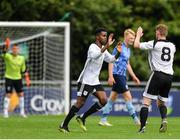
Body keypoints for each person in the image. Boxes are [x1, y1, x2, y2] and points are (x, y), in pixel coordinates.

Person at [59, 27, 122, 133]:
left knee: (104, 100)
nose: (105, 38)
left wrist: (118, 52)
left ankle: (82, 117)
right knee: (80, 103)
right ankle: (63, 125)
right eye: (103, 36)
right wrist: (106, 46)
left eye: (106, 36)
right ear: (97, 37)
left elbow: (111, 59)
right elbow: (95, 56)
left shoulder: (103, 48)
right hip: (86, 80)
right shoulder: (92, 47)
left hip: (94, 81)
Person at [134, 24, 176, 133]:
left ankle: (142, 128)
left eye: (156, 32)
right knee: (161, 103)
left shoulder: (154, 43)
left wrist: (138, 34)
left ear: (158, 33)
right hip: (169, 76)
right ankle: (164, 119)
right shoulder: (172, 46)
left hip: (158, 75)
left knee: (146, 102)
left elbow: (136, 45)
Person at [98, 29, 141, 126]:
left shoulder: (128, 49)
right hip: (117, 75)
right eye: (130, 38)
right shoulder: (119, 47)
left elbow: (127, 64)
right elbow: (111, 61)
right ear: (125, 37)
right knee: (128, 97)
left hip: (122, 75)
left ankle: (103, 120)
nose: (132, 40)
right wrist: (110, 76)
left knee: (112, 98)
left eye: (133, 39)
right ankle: (136, 120)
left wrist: (134, 76)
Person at [1, 38, 30, 118]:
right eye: (13, 49)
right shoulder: (8, 56)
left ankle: (22, 112)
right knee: (8, 94)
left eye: (16, 49)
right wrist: (6, 46)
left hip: (18, 78)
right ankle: (5, 112)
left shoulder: (22, 58)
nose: (14, 50)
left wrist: (27, 79)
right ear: (11, 50)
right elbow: (3, 53)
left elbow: (24, 70)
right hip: (9, 77)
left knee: (21, 94)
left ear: (18, 50)